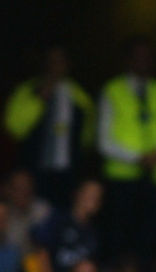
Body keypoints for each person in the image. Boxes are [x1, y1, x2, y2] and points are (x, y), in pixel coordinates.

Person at [97, 36, 156, 255]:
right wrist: (138, 158)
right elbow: (104, 141)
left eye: (147, 57)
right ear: (128, 60)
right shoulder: (113, 90)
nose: (143, 61)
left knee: (149, 239)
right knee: (119, 239)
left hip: (155, 178)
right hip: (121, 179)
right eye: (138, 57)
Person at [4, 46, 94, 206]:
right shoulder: (28, 90)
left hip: (68, 172)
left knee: (63, 211)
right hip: (34, 169)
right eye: (52, 61)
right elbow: (14, 127)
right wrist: (38, 99)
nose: (56, 66)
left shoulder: (80, 96)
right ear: (44, 64)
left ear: (68, 65)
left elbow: (87, 136)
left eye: (60, 61)